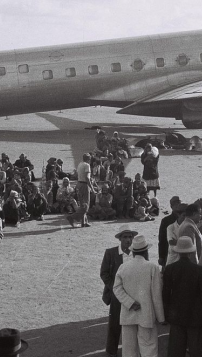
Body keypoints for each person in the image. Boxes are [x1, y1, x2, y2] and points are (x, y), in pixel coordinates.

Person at [112, 234, 165, 357]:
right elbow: (156, 295)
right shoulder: (152, 268)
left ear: (133, 252)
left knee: (129, 350)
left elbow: (116, 288)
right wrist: (161, 317)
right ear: (146, 251)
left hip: (128, 314)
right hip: (146, 315)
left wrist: (129, 302)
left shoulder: (123, 267)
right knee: (149, 348)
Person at [163, 236, 202, 357]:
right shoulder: (198, 270)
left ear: (178, 252)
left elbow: (165, 294)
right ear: (191, 252)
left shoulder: (170, 269)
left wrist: (167, 312)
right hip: (195, 315)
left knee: (176, 349)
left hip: (176, 315)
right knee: (195, 348)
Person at [100, 224, 137, 357]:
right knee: (115, 322)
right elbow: (104, 273)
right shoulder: (111, 253)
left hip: (134, 293)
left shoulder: (138, 252)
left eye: (130, 237)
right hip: (117, 294)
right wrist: (115, 288)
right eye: (125, 237)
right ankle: (111, 350)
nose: (128, 240)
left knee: (134, 322)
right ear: (120, 239)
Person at [68, 153, 92, 228]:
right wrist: (92, 187)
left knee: (82, 204)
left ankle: (84, 222)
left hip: (78, 184)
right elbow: (87, 178)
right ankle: (72, 217)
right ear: (89, 159)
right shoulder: (87, 165)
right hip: (84, 185)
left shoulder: (80, 164)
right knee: (86, 205)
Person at [158, 196, 181, 267]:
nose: (177, 206)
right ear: (171, 206)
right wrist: (161, 256)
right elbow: (162, 239)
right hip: (168, 253)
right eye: (175, 204)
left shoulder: (185, 219)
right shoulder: (166, 220)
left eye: (179, 203)